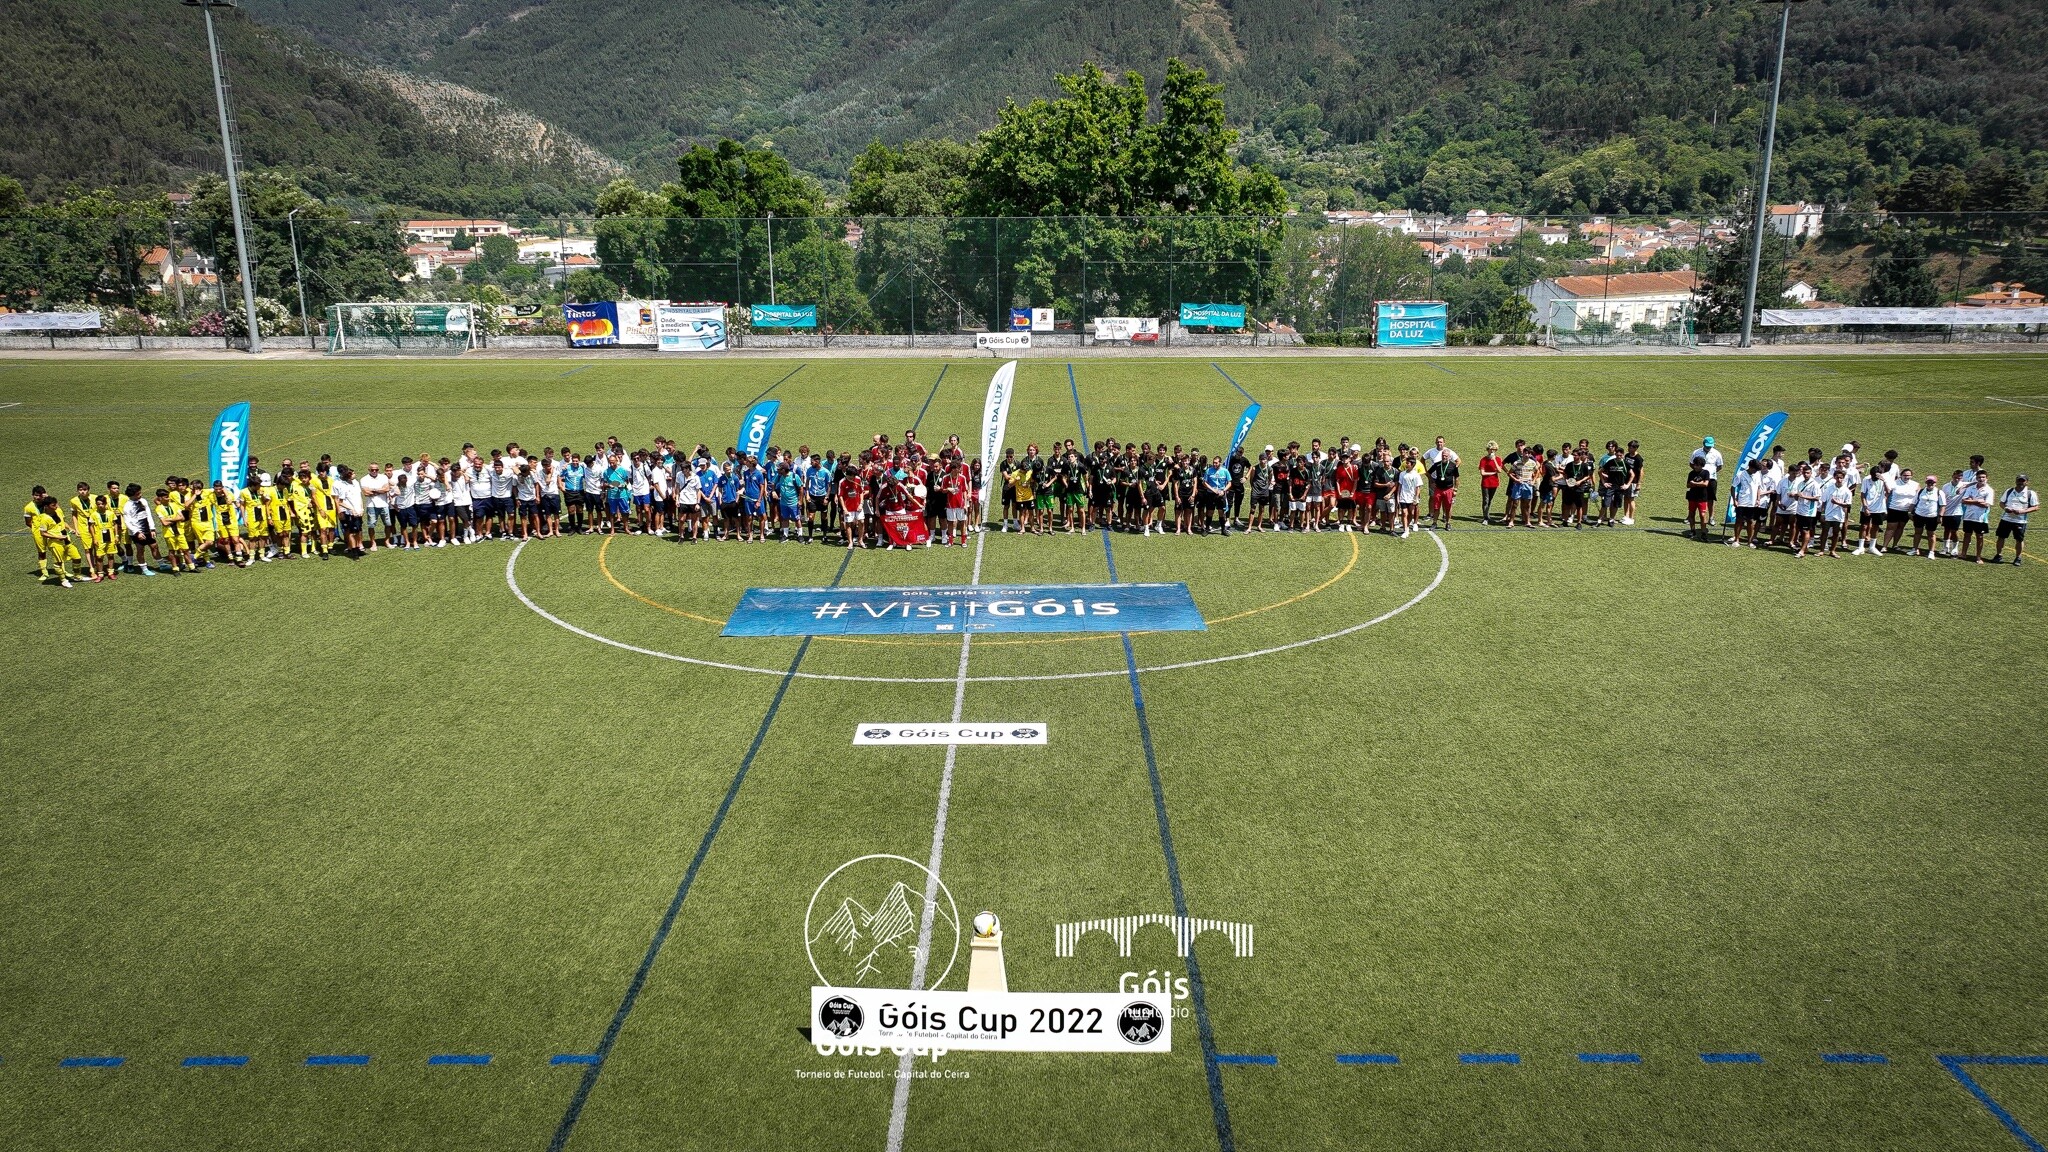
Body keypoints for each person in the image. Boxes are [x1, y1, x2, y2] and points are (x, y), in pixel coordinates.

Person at [1993, 473, 2037, 566]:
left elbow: (2035, 507)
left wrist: (2022, 511)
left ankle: (2018, 558)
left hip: (2020, 521)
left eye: (2022, 481)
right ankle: (1998, 555)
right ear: (2016, 481)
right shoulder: (2009, 491)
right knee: (2001, 537)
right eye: (2019, 480)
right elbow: (2001, 503)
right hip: (2006, 519)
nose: (2020, 482)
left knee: (2019, 539)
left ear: (2027, 482)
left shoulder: (2030, 493)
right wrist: (2005, 508)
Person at [1957, 470, 1994, 563]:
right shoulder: (1971, 488)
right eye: (1979, 477)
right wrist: (1977, 501)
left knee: (1979, 537)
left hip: (1980, 518)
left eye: (1983, 477)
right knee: (1967, 535)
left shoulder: (1989, 490)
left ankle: (1978, 557)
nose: (1981, 479)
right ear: (1976, 478)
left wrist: (1971, 500)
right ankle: (1963, 554)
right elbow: (1964, 500)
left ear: (1986, 478)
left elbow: (1986, 505)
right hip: (1968, 516)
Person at [1426, 446, 1458, 530]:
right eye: (1443, 455)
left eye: (1446, 456)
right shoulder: (1437, 464)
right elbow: (1428, 473)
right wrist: (1432, 482)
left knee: (1448, 507)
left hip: (1448, 489)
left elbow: (1457, 478)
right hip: (1438, 489)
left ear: (1449, 457)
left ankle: (1448, 523)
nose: (1444, 457)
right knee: (1436, 507)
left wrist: (1455, 489)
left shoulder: (1453, 466)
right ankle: (1434, 523)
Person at [1684, 455, 1713, 538]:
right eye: (1695, 465)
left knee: (1703, 515)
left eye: (1697, 465)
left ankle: (1703, 532)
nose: (1695, 467)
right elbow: (1688, 485)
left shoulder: (1706, 473)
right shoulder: (1691, 473)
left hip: (1702, 498)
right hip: (1692, 497)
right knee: (1691, 514)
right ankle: (1692, 531)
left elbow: (1706, 484)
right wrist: (1699, 483)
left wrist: (1695, 483)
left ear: (1701, 465)